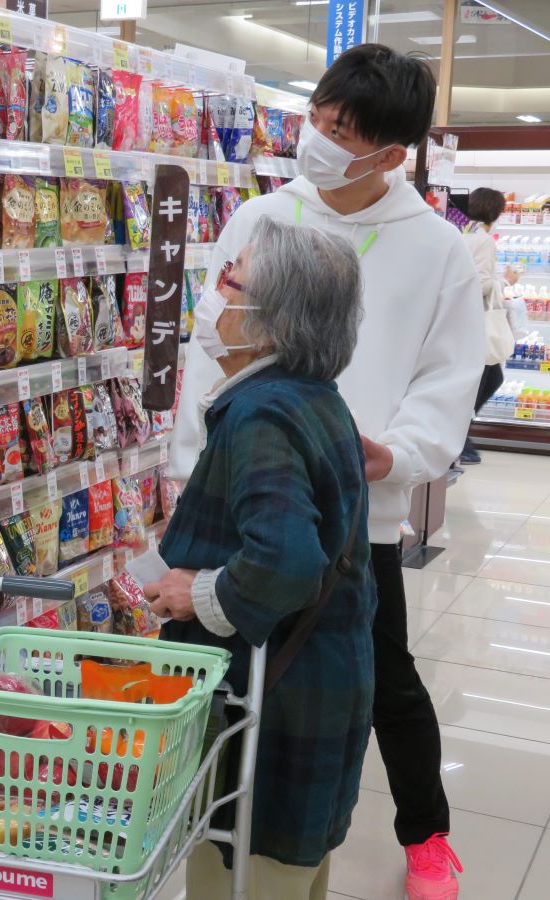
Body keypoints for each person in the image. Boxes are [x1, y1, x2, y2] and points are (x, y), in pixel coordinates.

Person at [166, 44, 481, 899]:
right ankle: (241, 829)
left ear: (391, 153)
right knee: (235, 678)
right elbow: (207, 346)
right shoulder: (265, 218)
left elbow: (448, 379)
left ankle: (425, 834)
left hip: (356, 508)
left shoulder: (438, 251)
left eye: (343, 131)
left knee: (378, 680)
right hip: (245, 493)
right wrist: (190, 477)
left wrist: (397, 453)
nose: (318, 139)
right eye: (319, 118)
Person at [147, 218, 374, 899]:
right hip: (321, 679)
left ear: (272, 323)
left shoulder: (261, 414)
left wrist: (196, 593)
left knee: (244, 875)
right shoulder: (314, 397)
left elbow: (286, 562)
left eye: (230, 278)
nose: (212, 292)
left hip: (274, 707)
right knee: (294, 874)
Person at [459, 187, 518, 465]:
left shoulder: (463, 232)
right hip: (478, 321)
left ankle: (461, 438)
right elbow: (480, 284)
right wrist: (506, 280)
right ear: (495, 211)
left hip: (463, 319)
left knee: (486, 378)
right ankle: (459, 439)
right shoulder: (483, 240)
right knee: (487, 378)